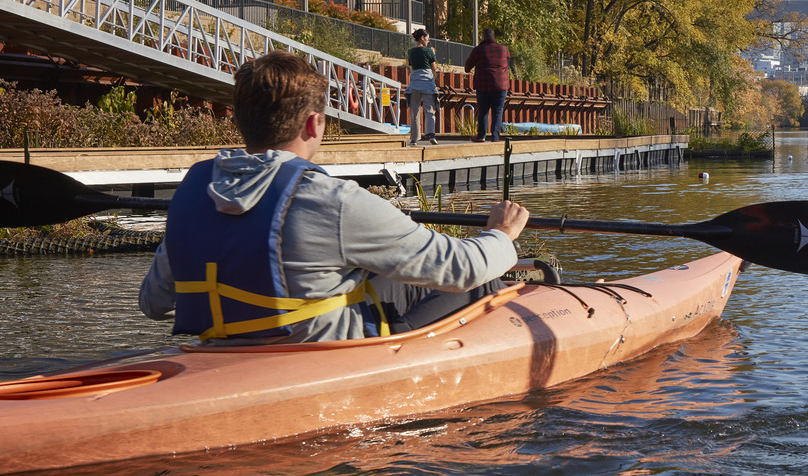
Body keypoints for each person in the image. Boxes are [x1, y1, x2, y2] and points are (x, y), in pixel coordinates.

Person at [139, 51, 529, 344]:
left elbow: (153, 303)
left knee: (391, 276)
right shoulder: (332, 200)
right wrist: (501, 234)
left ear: (240, 119)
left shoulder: (194, 193)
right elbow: (460, 268)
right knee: (482, 282)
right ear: (314, 123)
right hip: (321, 355)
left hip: (220, 350)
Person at [464, 28, 511, 142]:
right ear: (493, 36)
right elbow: (506, 60)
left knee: (483, 111)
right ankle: (495, 138)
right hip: (501, 85)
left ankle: (481, 136)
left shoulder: (478, 50)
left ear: (483, 37)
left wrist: (470, 69)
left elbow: (467, 67)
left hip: (483, 85)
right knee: (498, 111)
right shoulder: (504, 49)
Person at [405, 28, 439, 146]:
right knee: (429, 110)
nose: (428, 41)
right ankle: (431, 134)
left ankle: (414, 138)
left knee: (415, 111)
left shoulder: (411, 52)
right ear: (422, 38)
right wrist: (433, 54)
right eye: (428, 39)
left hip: (415, 82)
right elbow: (433, 67)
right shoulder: (428, 51)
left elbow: (411, 66)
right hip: (427, 83)